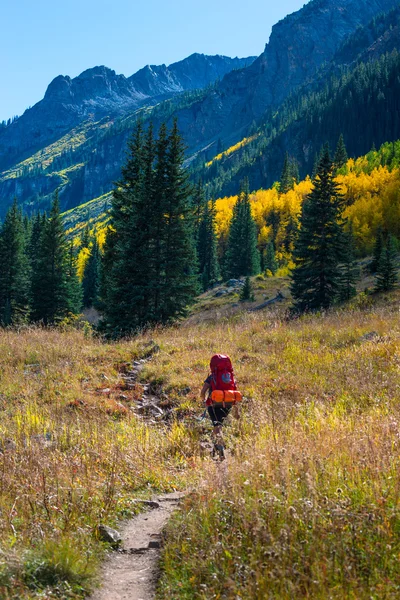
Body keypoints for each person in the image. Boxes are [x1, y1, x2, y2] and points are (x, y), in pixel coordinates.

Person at [200, 356, 240, 459]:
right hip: (228, 404)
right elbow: (234, 392)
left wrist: (204, 400)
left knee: (217, 426)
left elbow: (203, 391)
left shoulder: (212, 376)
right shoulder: (230, 377)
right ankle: (214, 449)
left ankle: (221, 448)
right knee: (218, 425)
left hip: (213, 404)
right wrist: (236, 410)